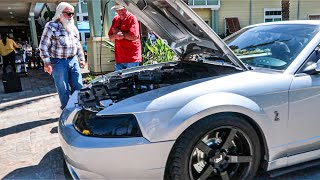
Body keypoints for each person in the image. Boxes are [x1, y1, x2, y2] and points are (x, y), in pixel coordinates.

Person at [39, 2, 86, 109]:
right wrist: (47, 62)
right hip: (58, 62)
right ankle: (67, 110)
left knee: (78, 86)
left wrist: (82, 59)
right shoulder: (51, 26)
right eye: (68, 14)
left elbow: (78, 44)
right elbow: (43, 46)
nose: (71, 16)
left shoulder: (73, 27)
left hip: (73, 60)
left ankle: (79, 108)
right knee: (63, 88)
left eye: (72, 14)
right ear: (60, 13)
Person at [108, 2, 142, 71]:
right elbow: (110, 37)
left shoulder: (132, 18)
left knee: (131, 79)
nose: (120, 11)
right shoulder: (115, 19)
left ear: (126, 8)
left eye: (122, 9)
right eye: (118, 9)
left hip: (132, 58)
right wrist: (116, 35)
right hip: (120, 58)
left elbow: (134, 36)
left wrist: (120, 33)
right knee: (119, 80)